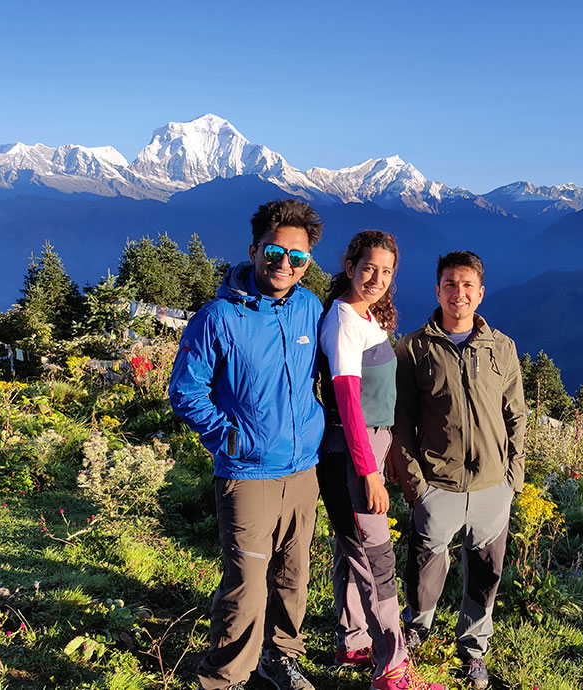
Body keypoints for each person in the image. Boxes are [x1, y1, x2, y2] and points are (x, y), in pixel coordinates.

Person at [168, 199, 325, 690]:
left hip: (303, 469)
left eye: (297, 258)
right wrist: (230, 437)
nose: (285, 265)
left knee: (293, 576)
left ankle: (279, 658)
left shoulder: (309, 306)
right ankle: (224, 678)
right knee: (247, 586)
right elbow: (184, 390)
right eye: (276, 252)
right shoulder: (218, 317)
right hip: (248, 473)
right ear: (255, 249)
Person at [391, 251, 527, 690]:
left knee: (487, 572)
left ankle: (472, 649)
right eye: (450, 284)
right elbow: (401, 419)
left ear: (481, 293)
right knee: (425, 565)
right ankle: (416, 627)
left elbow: (516, 416)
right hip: (438, 485)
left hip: (492, 486)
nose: (459, 293)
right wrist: (416, 484)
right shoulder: (413, 348)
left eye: (467, 285)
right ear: (437, 290)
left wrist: (513, 479)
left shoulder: (501, 347)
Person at [317, 231, 444, 690]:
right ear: (349, 266)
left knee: (352, 551)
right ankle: (392, 667)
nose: (377, 278)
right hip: (352, 454)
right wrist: (369, 469)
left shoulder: (364, 317)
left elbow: (374, 399)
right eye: (368, 267)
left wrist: (384, 453)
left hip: (366, 448)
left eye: (386, 271)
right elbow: (349, 403)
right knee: (377, 560)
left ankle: (354, 641)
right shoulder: (345, 322)